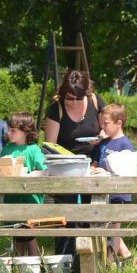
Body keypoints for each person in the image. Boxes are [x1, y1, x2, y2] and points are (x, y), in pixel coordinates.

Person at [43, 70, 104, 256]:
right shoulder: (56, 109)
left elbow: (109, 127)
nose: (75, 102)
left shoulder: (96, 101)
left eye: (79, 98)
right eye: (70, 98)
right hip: (65, 169)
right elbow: (50, 146)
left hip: (93, 166)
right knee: (65, 217)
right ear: (63, 93)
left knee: (91, 215)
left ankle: (90, 258)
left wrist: (101, 137)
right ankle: (64, 259)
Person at [91, 103, 135, 266]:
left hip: (119, 194)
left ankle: (109, 264)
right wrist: (92, 169)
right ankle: (127, 257)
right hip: (103, 194)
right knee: (110, 228)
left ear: (119, 123)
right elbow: (96, 162)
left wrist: (106, 172)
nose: (102, 128)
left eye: (106, 124)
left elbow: (127, 170)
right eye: (101, 124)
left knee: (114, 231)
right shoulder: (103, 143)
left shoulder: (125, 145)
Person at [0, 112, 47, 257]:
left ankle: (36, 266)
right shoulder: (7, 149)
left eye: (13, 130)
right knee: (17, 234)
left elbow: (45, 170)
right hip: (12, 199)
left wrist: (30, 175)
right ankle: (19, 267)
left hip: (30, 200)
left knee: (29, 235)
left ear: (25, 131)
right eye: (8, 129)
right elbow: (2, 170)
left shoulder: (33, 150)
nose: (8, 133)